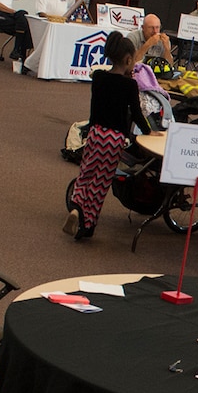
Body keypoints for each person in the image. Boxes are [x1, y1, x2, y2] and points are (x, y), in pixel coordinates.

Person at [64, 31, 140, 241]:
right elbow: (135, 113)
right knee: (100, 182)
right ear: (127, 59)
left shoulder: (98, 78)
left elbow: (94, 108)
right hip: (114, 139)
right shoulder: (130, 85)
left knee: (86, 173)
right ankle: (87, 225)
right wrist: (149, 131)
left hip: (96, 132)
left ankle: (77, 204)